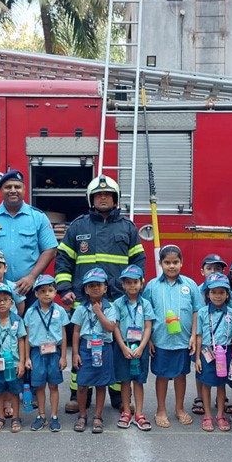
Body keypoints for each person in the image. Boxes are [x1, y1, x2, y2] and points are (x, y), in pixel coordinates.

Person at [54, 174, 146, 413]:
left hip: (117, 301)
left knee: (115, 348)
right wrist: (64, 288)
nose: (103, 198)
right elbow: (63, 260)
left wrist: (133, 291)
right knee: (83, 347)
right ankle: (78, 394)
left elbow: (138, 262)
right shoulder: (78, 226)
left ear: (115, 199)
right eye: (98, 195)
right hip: (83, 301)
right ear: (91, 198)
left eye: (107, 195)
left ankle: (116, 396)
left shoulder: (127, 228)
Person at [0, 169, 58, 299]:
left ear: (24, 190)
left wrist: (31, 277)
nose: (13, 190)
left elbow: (50, 250)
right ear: (1, 191)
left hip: (29, 289)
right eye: (8, 187)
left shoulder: (38, 217)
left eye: (17, 187)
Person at [144, 245, 203, 428]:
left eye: (175, 262)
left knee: (180, 375)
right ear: (160, 263)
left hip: (183, 341)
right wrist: (150, 340)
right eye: (167, 262)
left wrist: (193, 335)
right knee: (161, 376)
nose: (171, 266)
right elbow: (146, 313)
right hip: (160, 340)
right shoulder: (152, 286)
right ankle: (161, 410)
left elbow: (196, 312)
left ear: (181, 263)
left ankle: (179, 408)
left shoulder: (190, 285)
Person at [70, 268, 118, 433]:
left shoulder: (109, 308)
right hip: (86, 348)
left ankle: (98, 415)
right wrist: (75, 353)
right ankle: (82, 415)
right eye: (91, 285)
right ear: (86, 289)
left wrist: (98, 312)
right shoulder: (81, 309)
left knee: (100, 384)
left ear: (105, 288)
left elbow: (111, 327)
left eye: (99, 285)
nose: (95, 288)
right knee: (82, 384)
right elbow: (76, 332)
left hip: (103, 348)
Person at [25, 274, 70, 432]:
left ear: (55, 291)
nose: (46, 293)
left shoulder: (60, 311)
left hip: (54, 353)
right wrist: (26, 358)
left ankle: (54, 417)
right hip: (37, 353)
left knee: (53, 386)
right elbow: (26, 336)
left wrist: (63, 356)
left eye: (50, 290)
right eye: (42, 290)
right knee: (39, 387)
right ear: (36, 293)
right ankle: (41, 416)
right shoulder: (30, 312)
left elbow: (64, 335)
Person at [112, 265, 155, 431]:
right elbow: (115, 327)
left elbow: (148, 326)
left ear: (142, 283)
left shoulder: (146, 304)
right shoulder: (118, 304)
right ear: (123, 285)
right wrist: (123, 347)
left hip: (139, 349)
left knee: (138, 381)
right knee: (125, 380)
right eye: (128, 282)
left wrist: (142, 347)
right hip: (124, 347)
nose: (132, 286)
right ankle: (126, 411)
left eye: (135, 282)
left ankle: (139, 413)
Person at [194, 273, 232, 432]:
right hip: (207, 352)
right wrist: (198, 357)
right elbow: (199, 336)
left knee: (221, 385)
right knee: (206, 384)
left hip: (225, 352)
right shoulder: (203, 313)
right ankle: (207, 415)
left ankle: (220, 415)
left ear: (227, 295)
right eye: (213, 292)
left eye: (221, 292)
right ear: (207, 294)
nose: (217, 296)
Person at [0, 283, 28, 433]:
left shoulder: (17, 321)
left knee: (15, 392)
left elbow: (21, 341)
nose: (2, 303)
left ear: (12, 302)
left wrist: (22, 362)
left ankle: (16, 418)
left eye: (5, 299)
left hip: (14, 363)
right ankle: (0, 417)